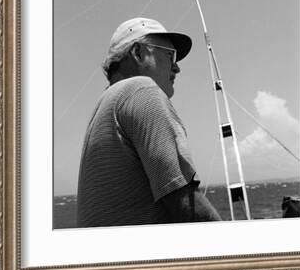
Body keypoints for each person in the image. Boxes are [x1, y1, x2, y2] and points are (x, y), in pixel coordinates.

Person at [76, 17, 221, 227]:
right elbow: (185, 203)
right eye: (170, 56)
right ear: (138, 53)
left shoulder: (105, 106)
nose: (177, 68)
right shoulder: (140, 89)